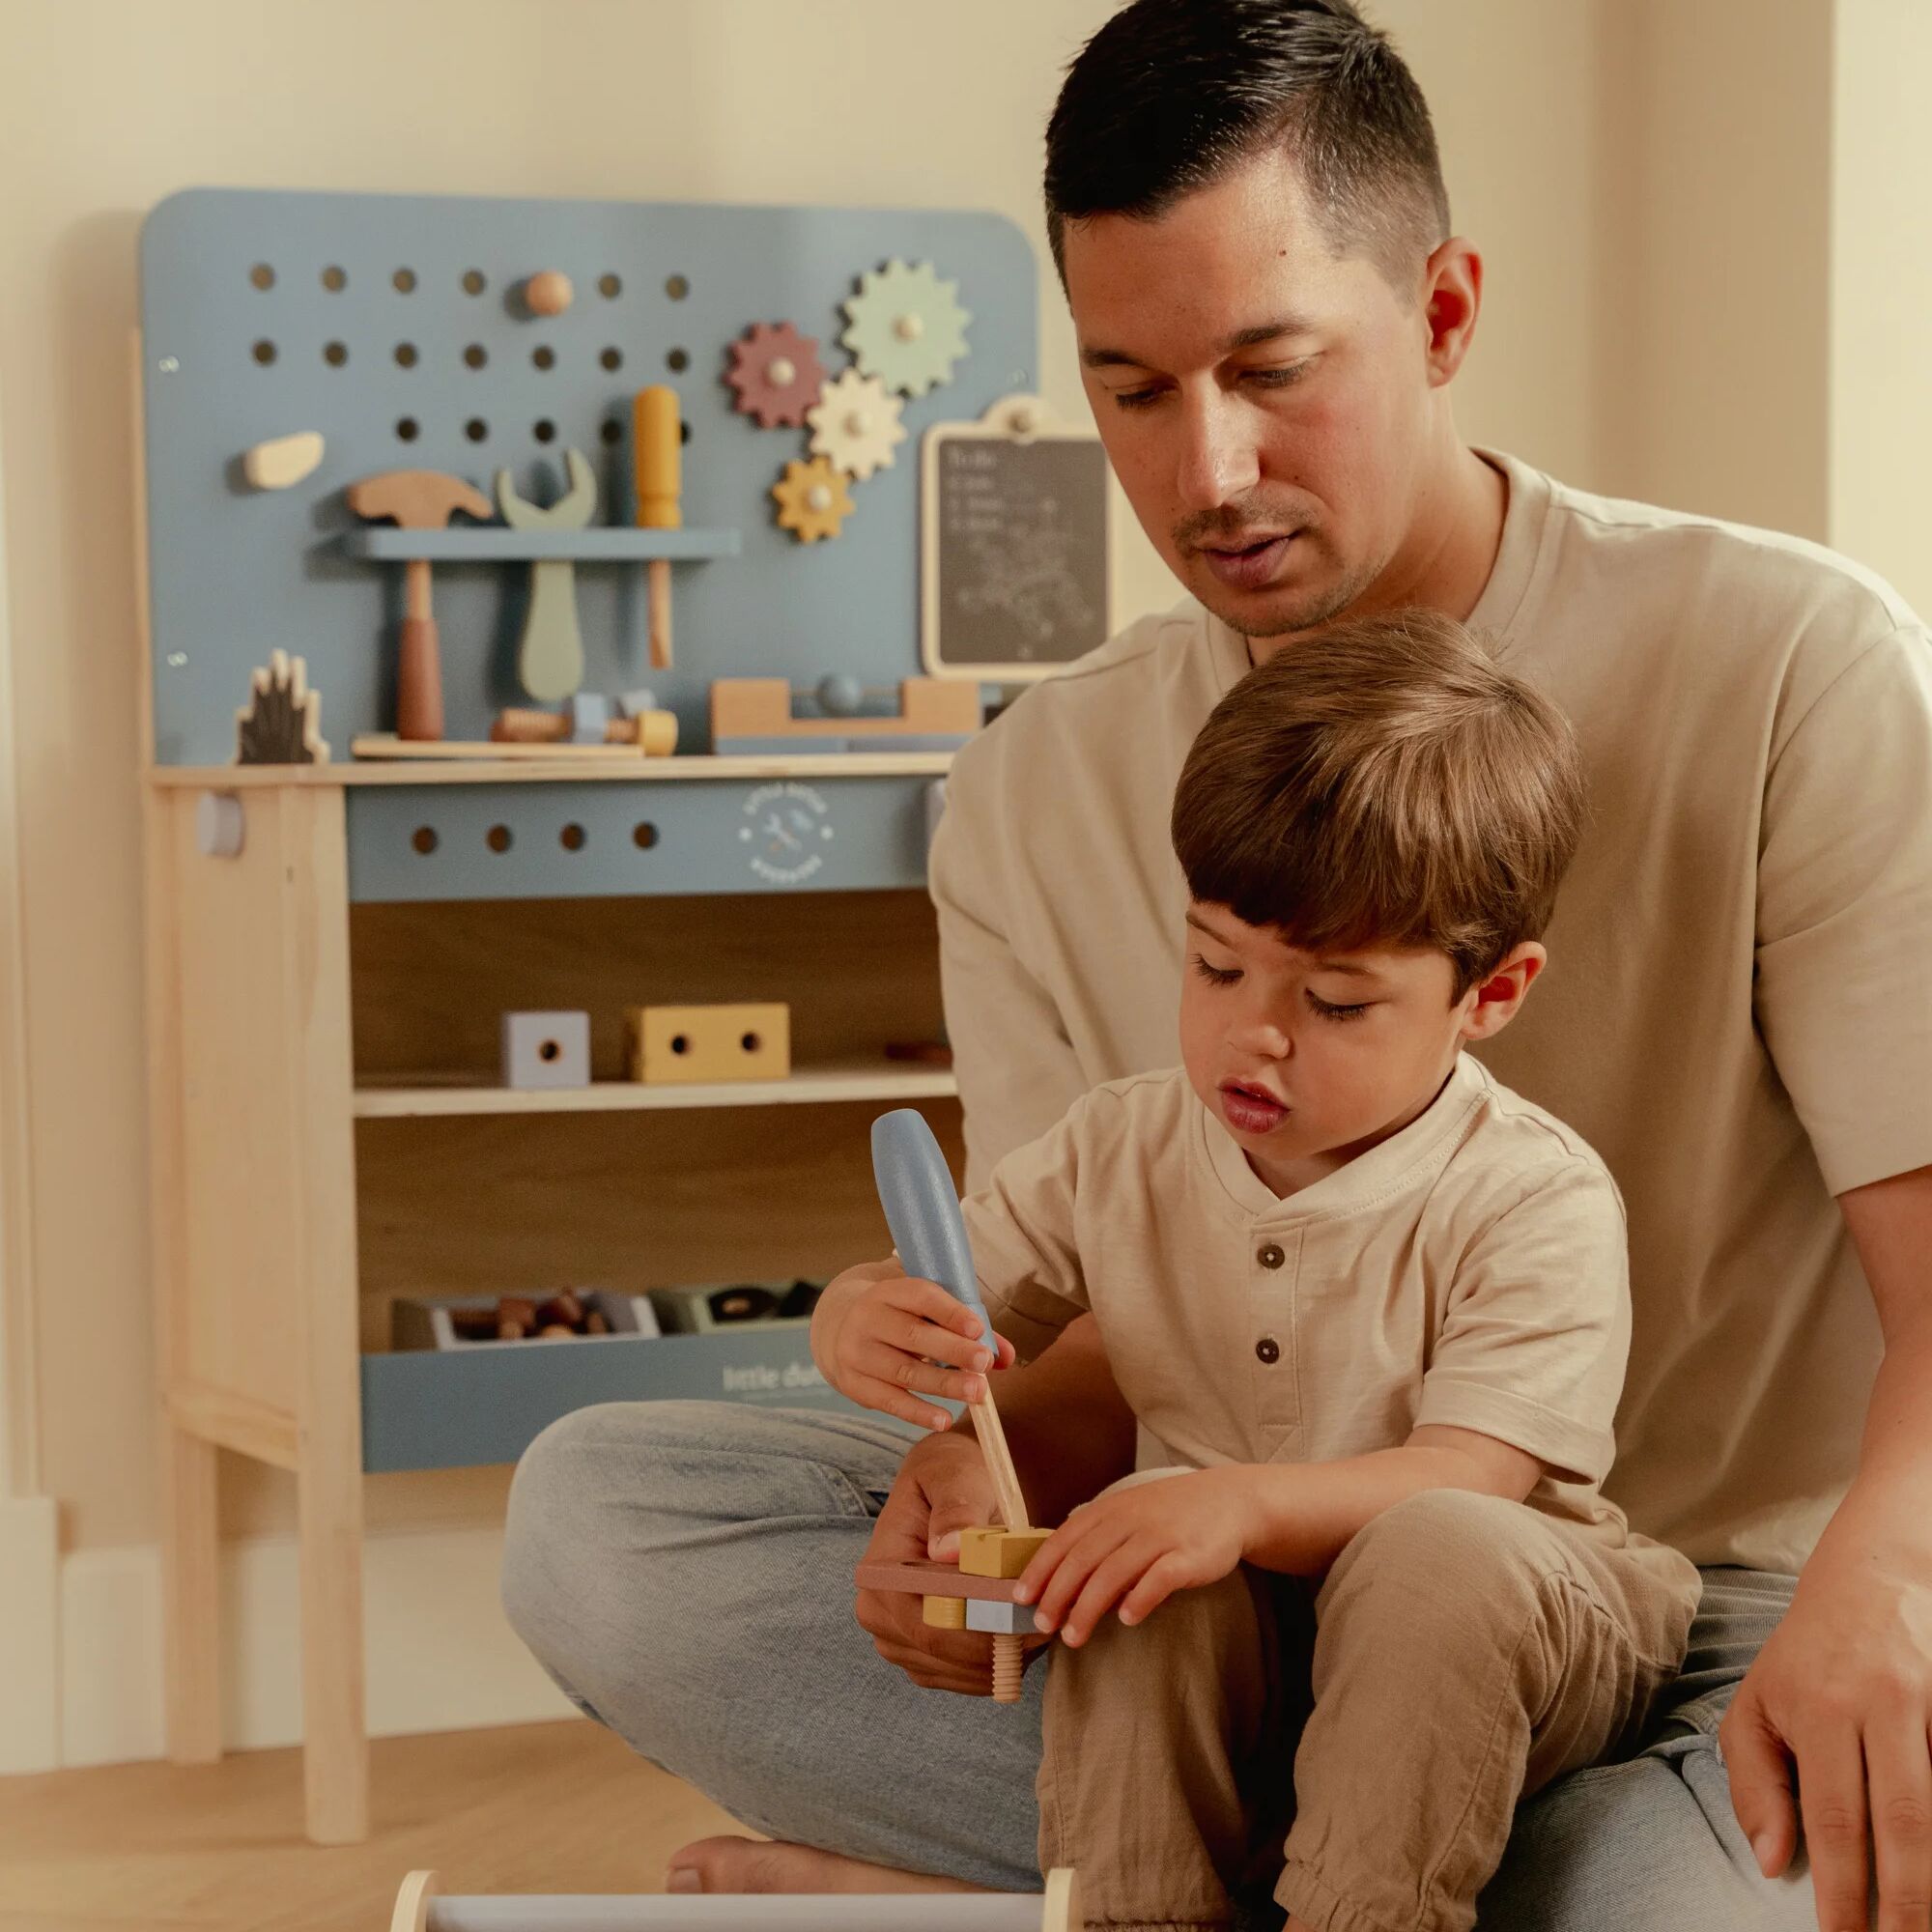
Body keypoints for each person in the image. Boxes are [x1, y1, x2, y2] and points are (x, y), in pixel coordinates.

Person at [502, 5, 1932, 1928]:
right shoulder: (1029, 787)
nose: (1209, 471)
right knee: (600, 1518)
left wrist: (1886, 1590)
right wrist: (969, 1472)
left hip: (1680, 1618)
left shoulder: (1789, 662)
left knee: (1753, 1865)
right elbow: (1091, 1349)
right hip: (1222, 1610)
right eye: (1134, 390)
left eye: (1272, 370)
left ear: (1438, 317)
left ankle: (1098, 1890)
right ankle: (1293, 1874)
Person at [810, 611, 1703, 1932]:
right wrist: (857, 1319)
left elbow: (1473, 1475)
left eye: (1336, 1004)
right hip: (1243, 1642)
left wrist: (1223, 1503)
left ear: (1492, 994)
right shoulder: (1122, 1143)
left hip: (1511, 1625)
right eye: (1215, 964)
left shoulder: (1531, 1192)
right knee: (1134, 1568)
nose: (1253, 1036)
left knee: (1426, 1549)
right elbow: (948, 1287)